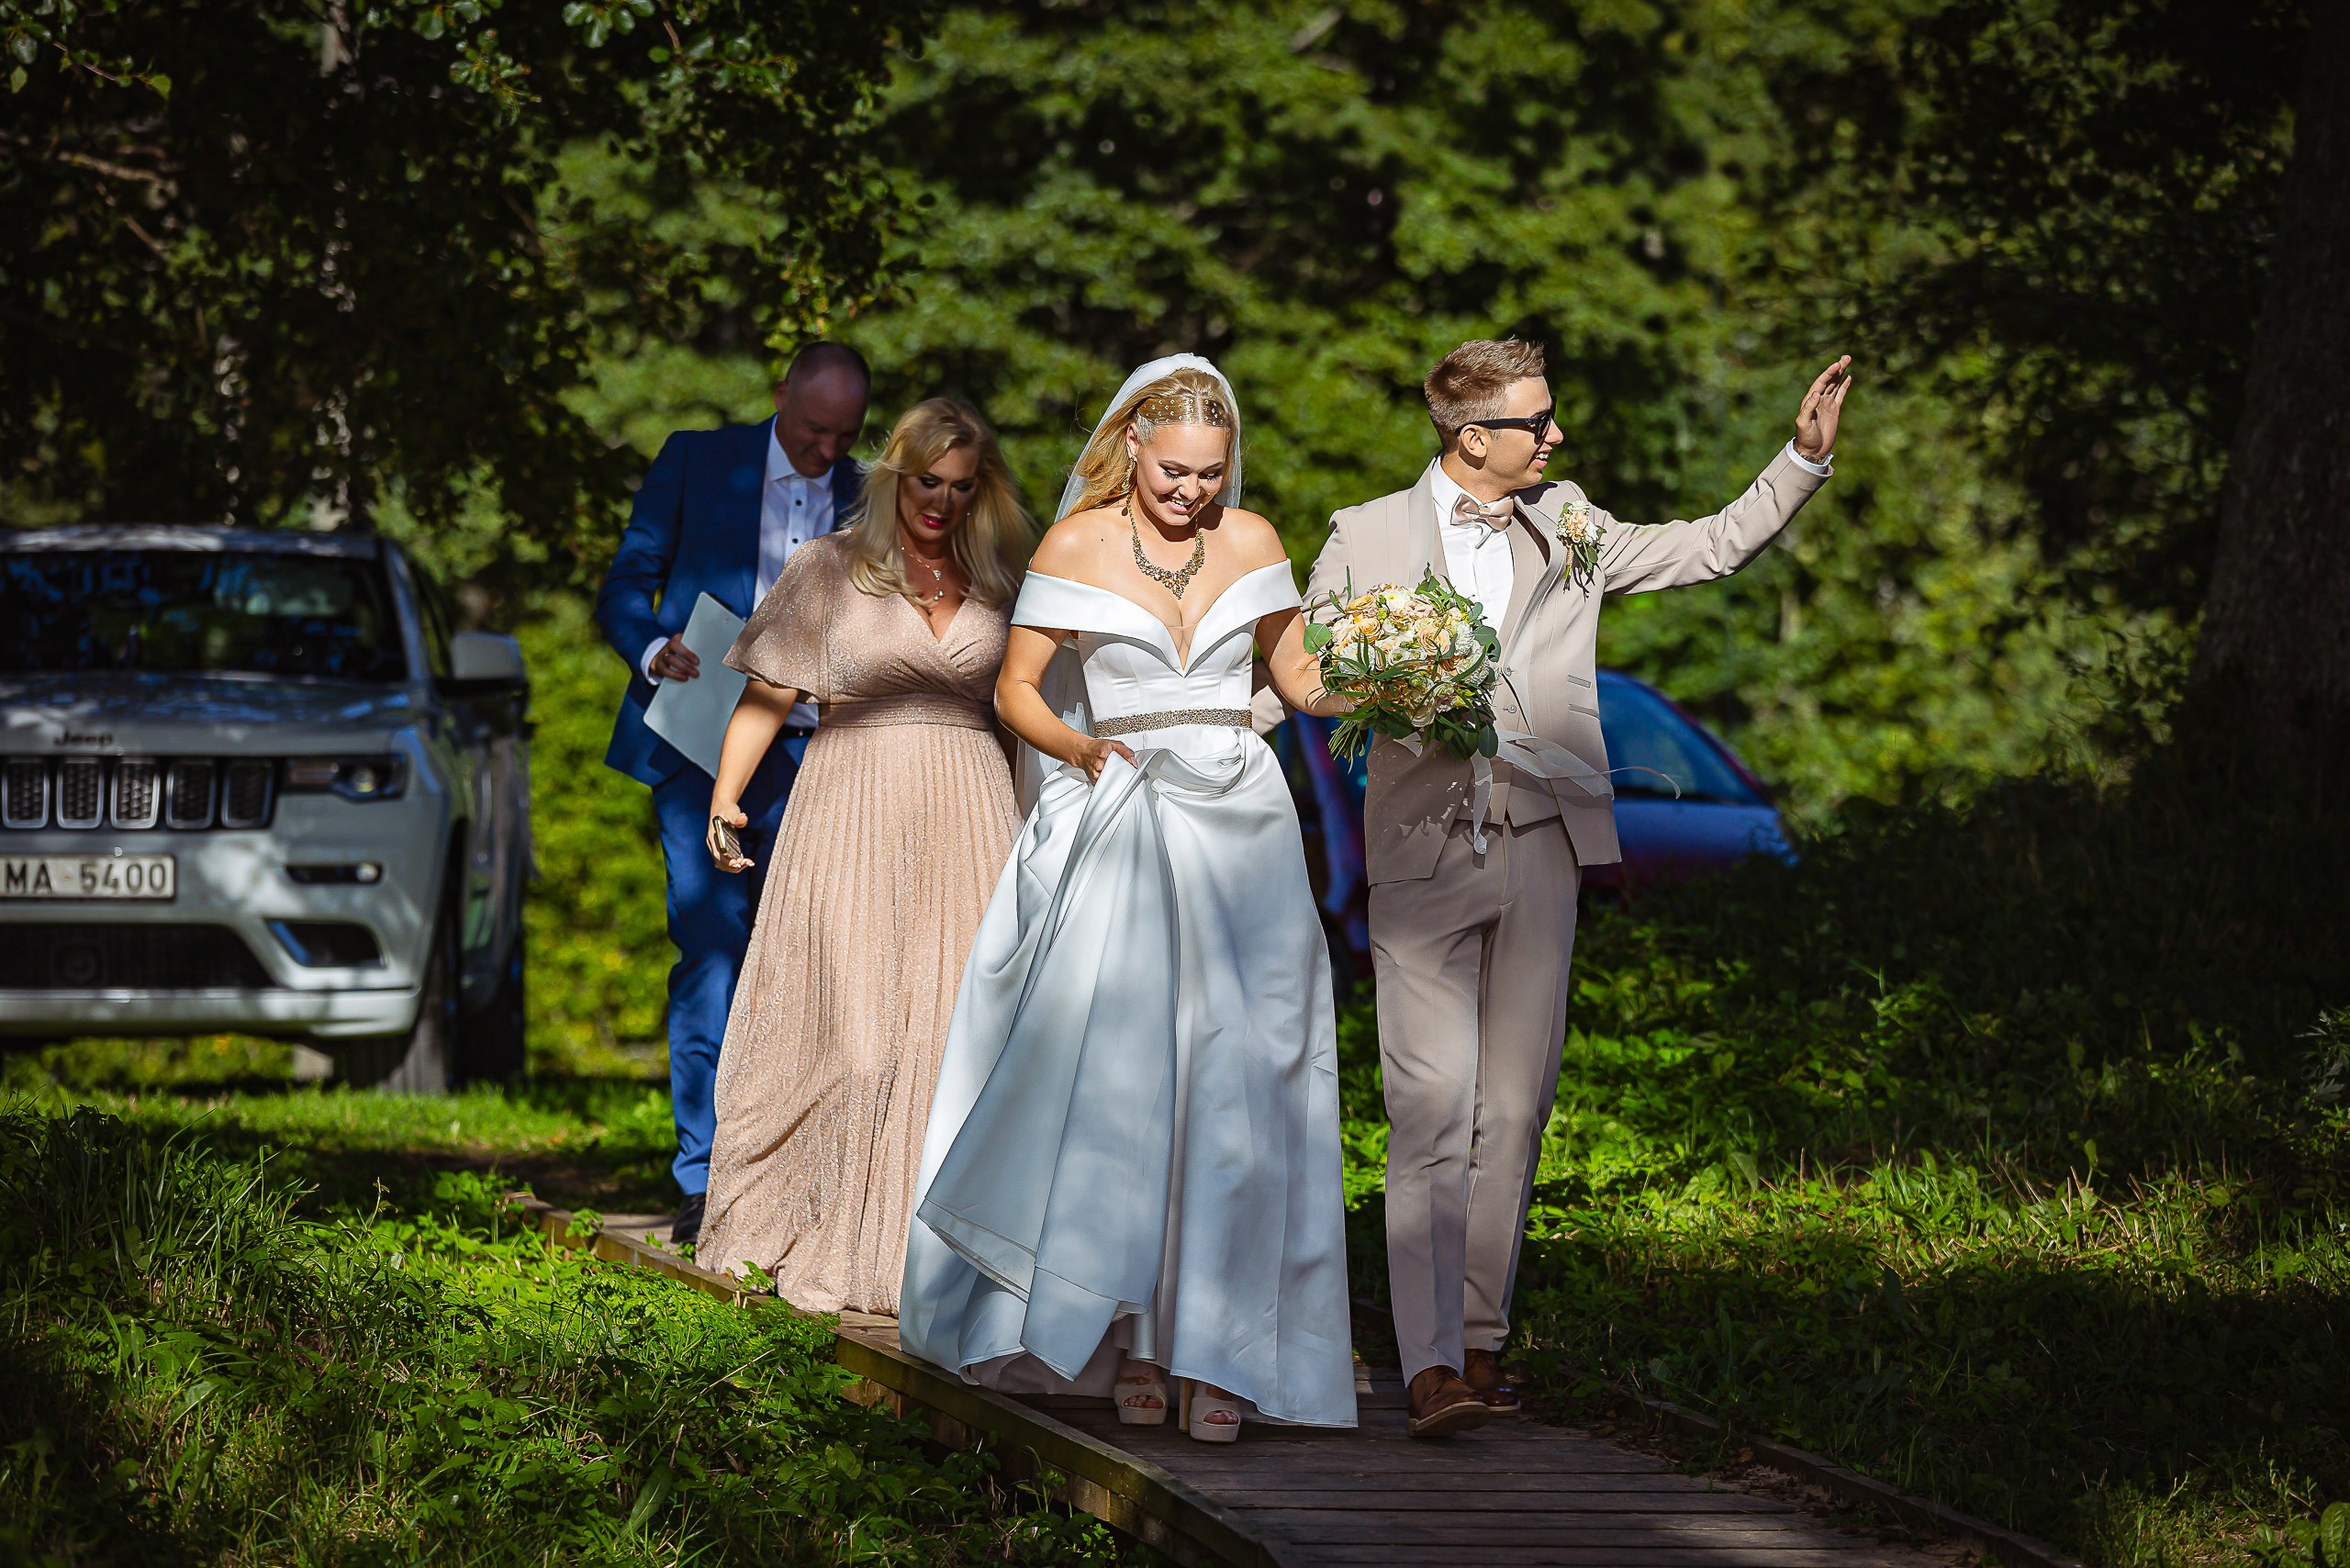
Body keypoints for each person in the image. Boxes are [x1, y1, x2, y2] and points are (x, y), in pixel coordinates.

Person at [1306, 338, 1852, 1438]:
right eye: (1535, 423)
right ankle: (1423, 1367)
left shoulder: (1572, 524)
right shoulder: (1362, 535)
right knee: (1427, 1107)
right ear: (1472, 438)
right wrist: (1393, 674)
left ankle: (1478, 1339)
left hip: (1544, 844)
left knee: (1511, 1108)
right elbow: (1314, 670)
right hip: (1417, 848)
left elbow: (1705, 548)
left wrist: (1797, 462)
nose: (1555, 437)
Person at [900, 357, 1359, 1445]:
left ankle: (1222, 1352)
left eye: (1210, 473)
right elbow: (1015, 690)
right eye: (1174, 470)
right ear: (1133, 447)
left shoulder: (1251, 542)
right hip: (1128, 802)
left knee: (1247, 1078)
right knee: (1138, 1077)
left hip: (1242, 821)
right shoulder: (1077, 544)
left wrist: (1397, 678)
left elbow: (1296, 680)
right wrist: (1084, 748)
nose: (1192, 490)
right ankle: (1137, 1341)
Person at [694, 398, 1034, 1314]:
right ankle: (805, 1224)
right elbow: (768, 694)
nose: (942, 501)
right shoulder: (829, 568)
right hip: (849, 803)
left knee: (948, 1034)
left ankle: (925, 1255)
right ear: (895, 475)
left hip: (969, 807)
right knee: (854, 1039)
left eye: (962, 487)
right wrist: (726, 794)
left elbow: (1027, 710)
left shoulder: (999, 579)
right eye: (928, 481)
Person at [593, 342, 871, 1247]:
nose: (826, 449)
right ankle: (702, 1176)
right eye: (811, 428)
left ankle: (794, 1170)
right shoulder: (696, 459)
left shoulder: (873, 491)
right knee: (711, 945)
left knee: (810, 959)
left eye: (844, 434)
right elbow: (625, 583)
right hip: (699, 739)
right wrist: (651, 645)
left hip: (822, 755)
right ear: (780, 392)